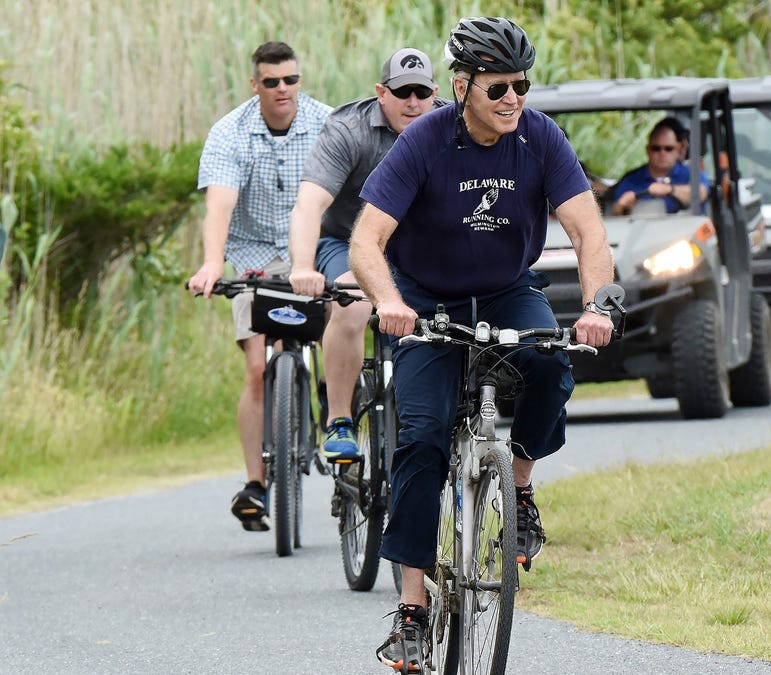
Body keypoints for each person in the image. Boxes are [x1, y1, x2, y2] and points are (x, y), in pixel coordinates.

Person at [347, 16, 615, 671]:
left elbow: (587, 231)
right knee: (423, 436)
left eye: (522, 85)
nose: (513, 99)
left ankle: (518, 493)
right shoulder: (425, 142)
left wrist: (598, 304)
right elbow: (364, 241)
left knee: (551, 364)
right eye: (498, 87)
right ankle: (412, 607)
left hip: (504, 288)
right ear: (462, 86)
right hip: (425, 299)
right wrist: (387, 300)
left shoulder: (541, 137)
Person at [186, 42, 332, 531]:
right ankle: (256, 484)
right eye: (271, 82)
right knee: (255, 367)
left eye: (290, 79)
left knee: (338, 335)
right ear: (256, 85)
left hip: (313, 249)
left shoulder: (327, 123)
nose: (282, 90)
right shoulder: (230, 132)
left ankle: (340, 423)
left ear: (299, 79)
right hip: (252, 257)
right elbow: (219, 208)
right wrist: (211, 264)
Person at [288, 47, 446, 461]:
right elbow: (309, 204)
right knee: (354, 303)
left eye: (422, 93)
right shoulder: (348, 130)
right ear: (381, 92)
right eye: (402, 92)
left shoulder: (454, 126)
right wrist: (303, 267)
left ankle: (458, 434)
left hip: (419, 247)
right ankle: (340, 419)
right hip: (348, 242)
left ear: (436, 93)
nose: (413, 103)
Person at [609, 116, 708, 215]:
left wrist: (669, 190)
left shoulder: (692, 174)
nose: (662, 153)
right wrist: (621, 205)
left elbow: (701, 193)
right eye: (656, 148)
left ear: (679, 149)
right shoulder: (631, 179)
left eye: (668, 148)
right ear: (647, 150)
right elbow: (615, 214)